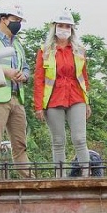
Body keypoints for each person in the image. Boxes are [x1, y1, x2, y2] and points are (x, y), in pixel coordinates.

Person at [33, 11, 94, 177]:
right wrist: (38, 106)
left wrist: (87, 102)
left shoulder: (79, 50)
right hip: (53, 99)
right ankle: (60, 178)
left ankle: (86, 175)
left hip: (76, 97)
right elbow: (39, 79)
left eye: (67, 26)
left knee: (80, 139)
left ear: (72, 29)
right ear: (54, 27)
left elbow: (84, 78)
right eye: (61, 25)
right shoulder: (44, 51)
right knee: (58, 141)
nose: (64, 29)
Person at [0, 5, 32, 179]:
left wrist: (23, 75)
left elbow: (26, 67)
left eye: (19, 21)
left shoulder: (18, 45)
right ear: (3, 19)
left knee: (20, 142)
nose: (18, 24)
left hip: (16, 97)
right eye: (15, 20)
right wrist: (7, 72)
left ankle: (27, 179)